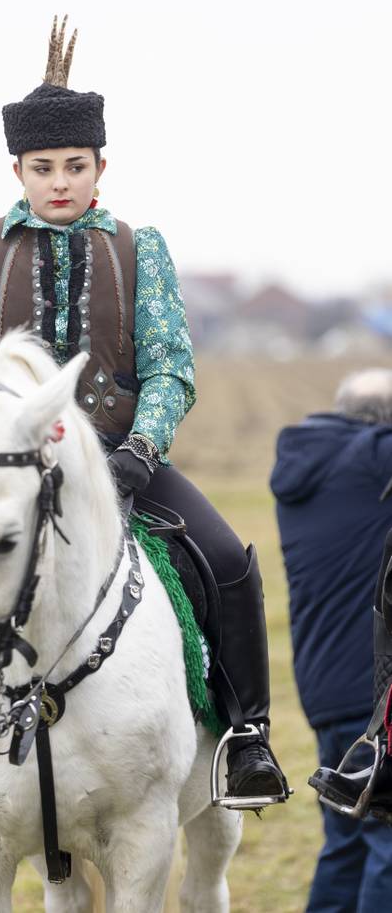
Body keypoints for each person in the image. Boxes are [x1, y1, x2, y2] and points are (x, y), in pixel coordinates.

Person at [0, 16, 289, 827]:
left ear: (99, 167)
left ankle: (248, 738)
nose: (59, 181)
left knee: (227, 562)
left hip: (121, 456)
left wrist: (143, 451)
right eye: (43, 167)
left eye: (74, 167)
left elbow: (170, 365)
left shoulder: (138, 246)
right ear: (16, 169)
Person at [271, 368, 392, 912]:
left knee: (346, 843)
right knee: (388, 846)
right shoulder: (373, 463)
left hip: (327, 691)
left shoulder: (307, 469)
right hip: (378, 695)